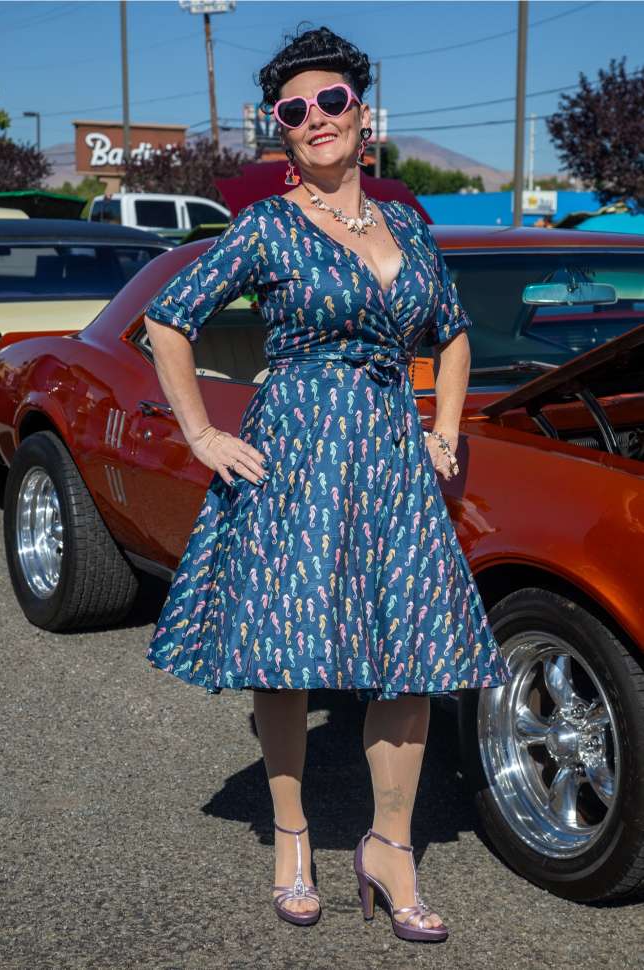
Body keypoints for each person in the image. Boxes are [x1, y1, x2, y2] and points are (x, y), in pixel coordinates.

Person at [143, 25, 512, 944]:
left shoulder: (407, 228)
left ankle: (390, 847)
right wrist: (202, 434)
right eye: (293, 109)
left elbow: (453, 334)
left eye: (331, 100)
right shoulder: (266, 227)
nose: (314, 118)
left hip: (392, 458)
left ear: (362, 114)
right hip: (297, 451)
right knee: (287, 646)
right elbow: (169, 320)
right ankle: (293, 836)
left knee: (411, 649)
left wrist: (444, 428)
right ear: (280, 128)